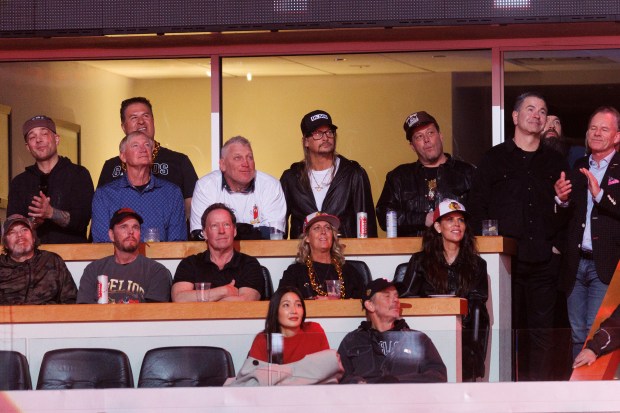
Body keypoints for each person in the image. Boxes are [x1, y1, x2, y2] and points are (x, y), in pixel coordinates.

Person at [468, 92, 568, 381]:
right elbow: (477, 207)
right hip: (504, 264)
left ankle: (538, 399)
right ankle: (506, 394)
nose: (536, 115)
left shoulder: (554, 160)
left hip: (543, 263)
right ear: (514, 117)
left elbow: (566, 210)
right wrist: (485, 251)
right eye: (530, 109)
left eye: (542, 110)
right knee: (505, 332)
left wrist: (557, 245)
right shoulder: (494, 159)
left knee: (542, 336)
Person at [554, 106, 620, 359]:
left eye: (604, 128)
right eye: (593, 127)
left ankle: (597, 395)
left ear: (616, 137)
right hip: (575, 263)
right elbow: (567, 215)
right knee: (577, 334)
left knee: (598, 335)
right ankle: (577, 392)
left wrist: (600, 195)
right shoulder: (578, 165)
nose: (596, 133)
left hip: (605, 264)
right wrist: (560, 199)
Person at [400, 199, 489, 381]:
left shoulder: (478, 264)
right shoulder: (419, 261)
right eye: (450, 220)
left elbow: (477, 302)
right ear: (438, 227)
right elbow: (407, 297)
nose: (457, 225)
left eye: (461, 220)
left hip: (461, 335)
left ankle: (472, 369)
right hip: (427, 331)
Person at [280, 109, 377, 239]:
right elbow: (279, 227)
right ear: (306, 141)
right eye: (318, 133)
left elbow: (367, 225)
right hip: (303, 255)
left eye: (329, 132)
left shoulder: (353, 174)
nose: (325, 138)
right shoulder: (291, 178)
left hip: (345, 253)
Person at [98, 97, 198, 220]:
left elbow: (193, 212)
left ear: (153, 121)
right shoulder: (110, 166)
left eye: (146, 116)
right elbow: (100, 211)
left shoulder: (179, 161)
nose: (141, 122)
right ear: (123, 127)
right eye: (134, 118)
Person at [376, 111, 475, 236]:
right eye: (419, 136)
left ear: (440, 136)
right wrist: (423, 219)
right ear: (412, 146)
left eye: (430, 133)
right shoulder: (399, 177)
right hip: (410, 253)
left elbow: (480, 217)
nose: (427, 140)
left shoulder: (468, 173)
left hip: (456, 252)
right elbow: (384, 216)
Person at [226, 286, 343, 386]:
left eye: (298, 305)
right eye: (286, 305)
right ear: (275, 311)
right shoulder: (266, 339)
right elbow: (258, 380)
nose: (294, 311)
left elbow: (327, 372)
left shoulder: (314, 330)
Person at [337, 278, 447, 384]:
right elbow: (340, 379)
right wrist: (366, 386)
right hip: (367, 400)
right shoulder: (352, 341)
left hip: (406, 400)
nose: (395, 300)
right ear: (370, 305)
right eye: (387, 296)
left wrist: (397, 382)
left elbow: (438, 376)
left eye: (396, 296)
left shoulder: (417, 339)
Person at [7, 115, 94, 244]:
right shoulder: (20, 183)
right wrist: (35, 221)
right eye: (32, 137)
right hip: (31, 259)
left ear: (57, 139)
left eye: (44, 133)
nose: (38, 140)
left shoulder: (78, 174)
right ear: (27, 147)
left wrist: (51, 213)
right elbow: (12, 226)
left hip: (74, 257)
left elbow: (83, 219)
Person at [91, 131, 187, 242]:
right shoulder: (105, 195)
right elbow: (102, 243)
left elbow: (177, 242)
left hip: (161, 259)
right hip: (118, 259)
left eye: (147, 145)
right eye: (135, 145)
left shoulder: (172, 193)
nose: (143, 149)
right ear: (123, 156)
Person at [190, 136, 286, 240]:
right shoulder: (205, 186)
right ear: (222, 165)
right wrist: (252, 231)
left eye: (250, 157)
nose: (246, 164)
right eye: (237, 158)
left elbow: (274, 234)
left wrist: (227, 230)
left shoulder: (271, 185)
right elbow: (200, 235)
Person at [172, 203, 264, 301]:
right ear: (205, 234)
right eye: (214, 226)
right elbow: (179, 298)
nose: (221, 231)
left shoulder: (249, 264)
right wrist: (224, 291)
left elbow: (245, 302)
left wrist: (199, 298)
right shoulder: (189, 264)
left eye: (226, 225)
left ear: (235, 231)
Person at [77, 208, 172, 303]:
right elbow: (84, 312)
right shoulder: (94, 270)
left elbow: (156, 315)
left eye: (135, 227)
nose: (131, 231)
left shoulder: (156, 272)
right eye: (123, 227)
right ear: (111, 235)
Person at [279, 212, 365, 299]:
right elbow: (282, 301)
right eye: (317, 228)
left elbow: (364, 302)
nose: (323, 232)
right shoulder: (295, 272)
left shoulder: (349, 271)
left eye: (328, 228)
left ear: (333, 236)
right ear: (307, 238)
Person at [0, 214, 77, 304]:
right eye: (12, 232)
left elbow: (71, 300)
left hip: (49, 316)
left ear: (33, 237)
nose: (20, 235)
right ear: (5, 243)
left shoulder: (52, 260)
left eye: (24, 230)